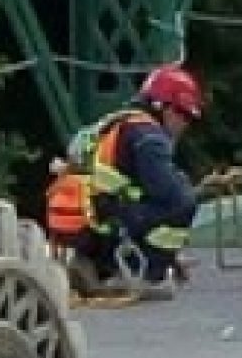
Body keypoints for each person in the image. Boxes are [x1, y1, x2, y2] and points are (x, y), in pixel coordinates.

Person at [68, 64, 203, 300]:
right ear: (163, 106)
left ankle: (98, 263)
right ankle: (148, 272)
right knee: (183, 201)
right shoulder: (149, 137)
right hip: (111, 220)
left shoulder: (116, 123)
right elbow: (167, 192)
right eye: (183, 114)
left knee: (147, 203)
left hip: (93, 223)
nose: (185, 123)